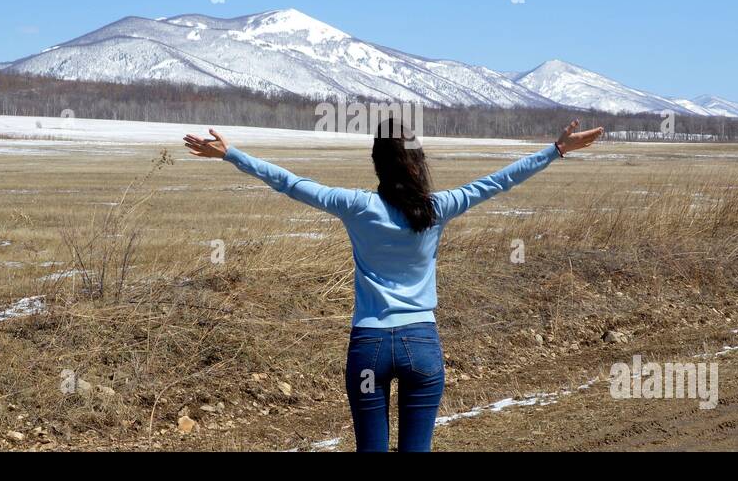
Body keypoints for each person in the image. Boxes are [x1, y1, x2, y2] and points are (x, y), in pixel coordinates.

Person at [183, 117, 604, 451]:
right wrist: (558, 150)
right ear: (418, 162)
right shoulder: (437, 208)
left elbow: (291, 183)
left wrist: (231, 154)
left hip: (370, 349)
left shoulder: (357, 206)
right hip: (422, 349)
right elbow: (498, 181)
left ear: (376, 163)